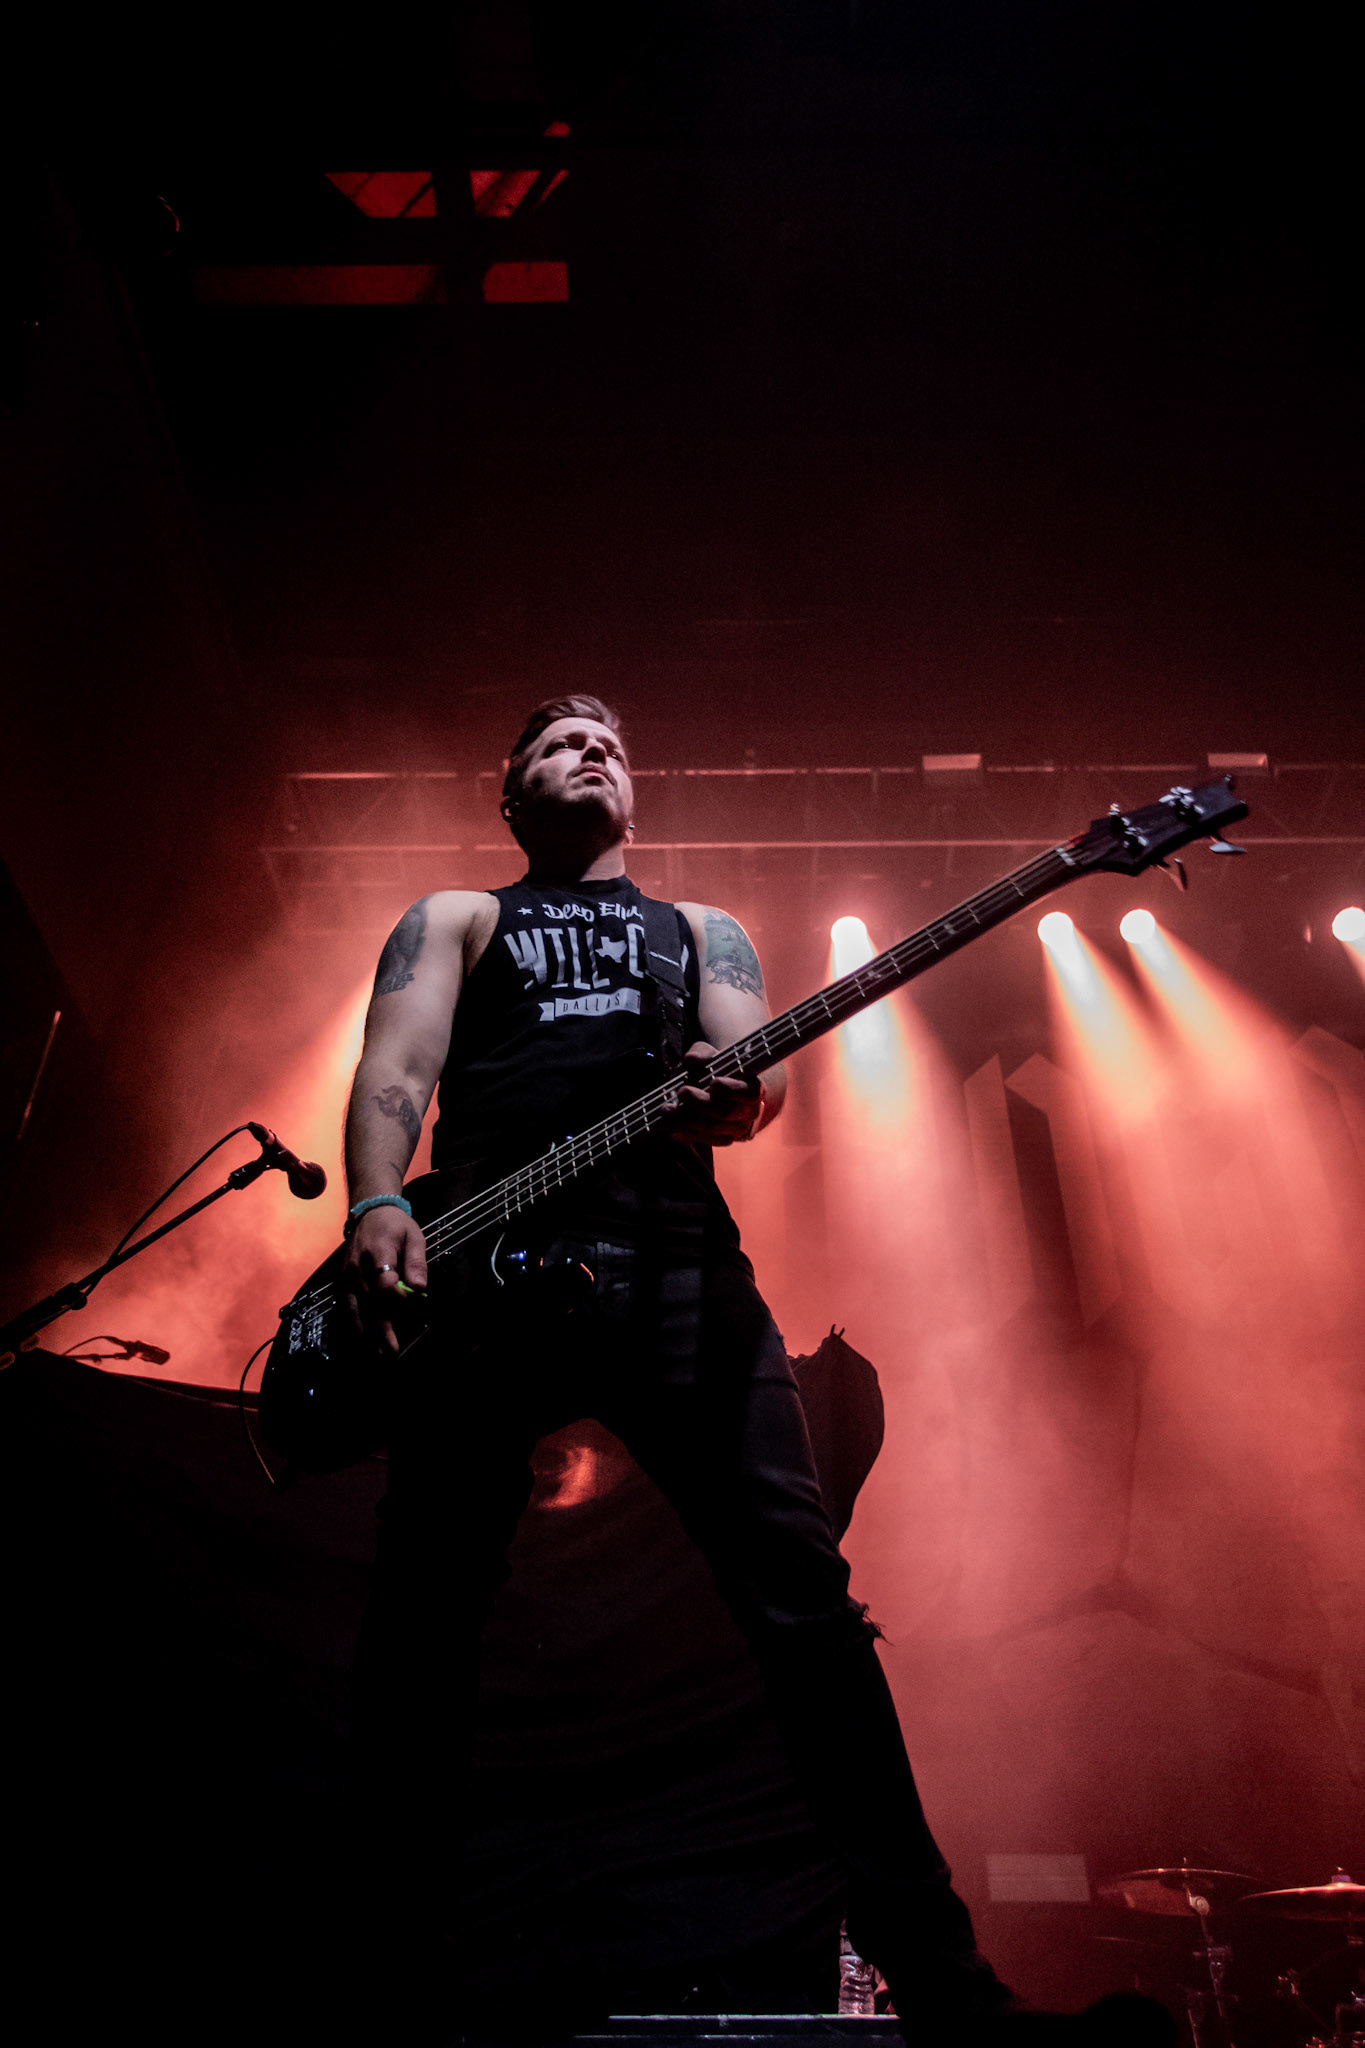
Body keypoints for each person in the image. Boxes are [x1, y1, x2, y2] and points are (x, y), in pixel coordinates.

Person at [338, 696, 1167, 2047]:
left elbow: (747, 1073)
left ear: (635, 794)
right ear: (511, 794)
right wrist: (379, 1201)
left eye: (610, 744)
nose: (592, 752)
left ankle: (948, 1991)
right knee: (421, 1627)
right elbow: (398, 1062)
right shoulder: (458, 917)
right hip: (482, 1272)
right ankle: (381, 1985)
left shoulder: (704, 930)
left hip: (677, 1270)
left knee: (810, 1619)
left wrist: (741, 1097)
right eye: (559, 743)